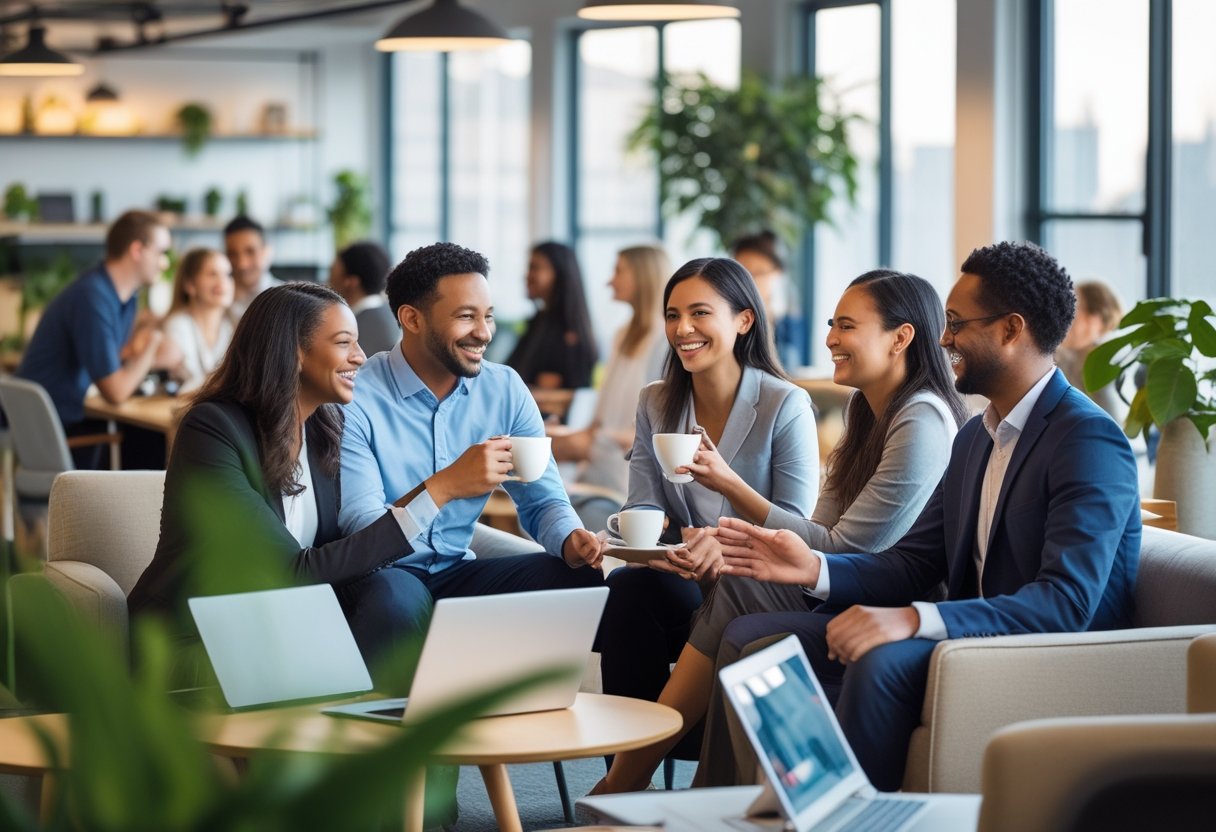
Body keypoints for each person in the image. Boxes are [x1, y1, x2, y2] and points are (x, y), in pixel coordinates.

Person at [711, 241, 1141, 792]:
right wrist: (815, 568)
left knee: (880, 659)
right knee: (753, 636)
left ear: (1012, 330)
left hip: (1050, 656)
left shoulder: (1085, 437)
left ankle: (852, 820)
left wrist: (913, 620)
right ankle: (749, 807)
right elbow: (916, 561)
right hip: (976, 641)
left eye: (957, 323)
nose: (943, 339)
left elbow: (1067, 603)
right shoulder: (976, 438)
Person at [595, 269, 967, 794]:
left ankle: (633, 781)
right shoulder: (866, 411)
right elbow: (822, 528)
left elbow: (847, 549)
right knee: (636, 591)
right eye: (673, 315)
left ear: (900, 337)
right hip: (837, 577)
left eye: (845, 326)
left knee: (741, 586)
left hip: (883, 593)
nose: (830, 339)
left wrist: (729, 489)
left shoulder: (921, 420)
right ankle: (655, 782)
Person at [595, 257, 819, 766]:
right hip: (687, 580)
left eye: (700, 313)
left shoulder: (786, 404)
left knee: (663, 597)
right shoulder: (656, 402)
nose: (683, 329)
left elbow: (797, 524)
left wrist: (721, 540)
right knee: (630, 591)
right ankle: (624, 767)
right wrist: (654, 549)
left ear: (744, 321)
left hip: (759, 585)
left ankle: (643, 764)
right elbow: (644, 503)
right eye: (673, 316)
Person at [337, 241, 605, 666]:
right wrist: (446, 486)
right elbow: (362, 527)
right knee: (394, 598)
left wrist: (573, 540)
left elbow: (544, 498)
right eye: (466, 316)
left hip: (459, 570)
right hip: (386, 573)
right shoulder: (356, 399)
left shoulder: (504, 389)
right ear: (412, 319)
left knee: (579, 578)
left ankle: (535, 715)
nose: (484, 332)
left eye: (488, 315)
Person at [128, 283, 413, 651]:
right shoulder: (212, 429)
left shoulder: (325, 430)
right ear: (294, 351)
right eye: (344, 342)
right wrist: (430, 501)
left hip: (277, 637)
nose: (360, 356)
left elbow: (339, 546)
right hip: (190, 645)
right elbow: (288, 571)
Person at [14, 209, 179, 469]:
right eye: (161, 252)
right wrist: (152, 347)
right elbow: (116, 391)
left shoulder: (124, 297)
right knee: (149, 440)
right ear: (137, 250)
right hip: (55, 432)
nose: (165, 263)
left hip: (62, 422)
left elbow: (115, 356)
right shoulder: (93, 297)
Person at [551, 244, 671, 504]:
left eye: (618, 271)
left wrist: (593, 440)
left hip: (626, 469)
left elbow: (662, 424)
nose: (609, 281)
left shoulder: (665, 342)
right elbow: (602, 415)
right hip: (599, 459)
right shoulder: (621, 336)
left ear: (643, 276)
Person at [505, 241, 598, 390]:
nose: (527, 276)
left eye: (535, 268)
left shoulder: (569, 334)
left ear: (560, 274)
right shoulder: (536, 322)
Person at [161, 247, 235, 392]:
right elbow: (184, 386)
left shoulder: (231, 328)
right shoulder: (177, 326)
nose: (223, 281)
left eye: (228, 274)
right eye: (212, 274)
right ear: (190, 285)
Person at [732, 230, 806, 370]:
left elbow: (793, 369)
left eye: (759, 272)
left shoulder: (787, 321)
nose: (750, 281)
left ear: (778, 273)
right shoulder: (728, 322)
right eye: (743, 273)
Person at [1055, 279, 1125, 421]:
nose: (1064, 313)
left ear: (1096, 319)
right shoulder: (1060, 357)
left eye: (1074, 307)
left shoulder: (1104, 364)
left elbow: (1113, 424)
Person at [329, 240, 399, 356]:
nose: (327, 283)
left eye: (332, 274)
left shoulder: (355, 327)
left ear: (351, 282)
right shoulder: (389, 314)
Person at [224, 215, 282, 320]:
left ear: (266, 252)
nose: (242, 264)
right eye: (232, 254)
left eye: (250, 251)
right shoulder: (217, 302)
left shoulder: (286, 300)